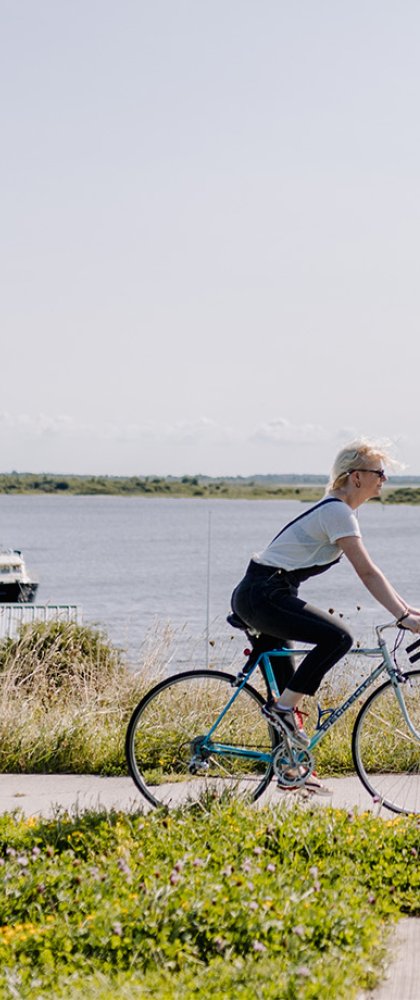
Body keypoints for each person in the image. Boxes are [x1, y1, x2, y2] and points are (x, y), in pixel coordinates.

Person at [230, 439, 420, 756]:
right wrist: (401, 616)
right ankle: (282, 712)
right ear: (356, 476)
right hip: (264, 595)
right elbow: (367, 572)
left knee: (288, 690)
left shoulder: (337, 510)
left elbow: (372, 573)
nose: (384, 479)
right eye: (379, 473)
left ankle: (292, 769)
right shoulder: (337, 512)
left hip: (264, 594)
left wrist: (408, 610)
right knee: (339, 638)